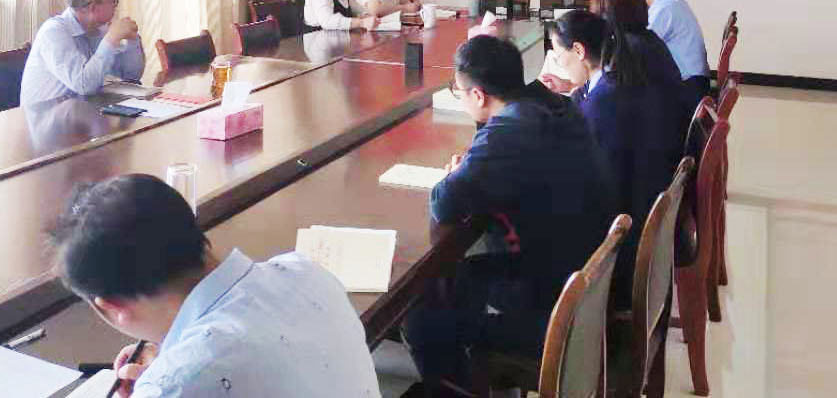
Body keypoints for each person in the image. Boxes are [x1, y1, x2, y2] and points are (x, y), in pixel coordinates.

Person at [404, 35, 617, 395]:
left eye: (460, 92)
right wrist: (473, 168)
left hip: (553, 302)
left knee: (421, 319)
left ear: (478, 96)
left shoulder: (511, 130)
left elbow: (444, 203)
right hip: (581, 278)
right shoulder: (550, 103)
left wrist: (458, 173)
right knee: (451, 279)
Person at [49, 174, 380, 398]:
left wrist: (164, 379)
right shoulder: (306, 271)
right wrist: (170, 361)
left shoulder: (172, 385)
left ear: (113, 307)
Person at [547, 4, 690, 300]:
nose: (558, 64)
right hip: (638, 227)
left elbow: (586, 184)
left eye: (558, 56)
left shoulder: (603, 104)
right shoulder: (618, 81)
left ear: (579, 51)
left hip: (617, 257)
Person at [21, 0, 146, 106]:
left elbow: (131, 76)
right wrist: (111, 39)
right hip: (46, 115)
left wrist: (132, 40)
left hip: (79, 110)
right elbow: (83, 85)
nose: (116, 7)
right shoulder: (53, 33)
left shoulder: (100, 29)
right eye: (113, 2)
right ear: (93, 7)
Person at [625, 0, 711, 96]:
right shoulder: (668, 1)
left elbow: (639, 47)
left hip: (690, 86)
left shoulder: (665, 7)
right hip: (691, 81)